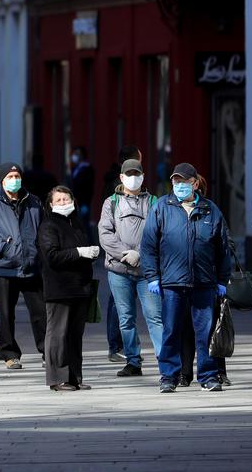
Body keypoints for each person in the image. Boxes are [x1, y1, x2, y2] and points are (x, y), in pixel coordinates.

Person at [141, 163, 232, 393]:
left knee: (205, 332)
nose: (179, 185)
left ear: (194, 183)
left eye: (184, 181)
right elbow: (149, 245)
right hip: (172, 283)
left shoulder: (211, 210)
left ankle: (208, 376)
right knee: (171, 331)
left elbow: (223, 249)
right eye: (176, 181)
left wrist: (221, 280)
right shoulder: (162, 207)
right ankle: (169, 377)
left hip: (203, 283)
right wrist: (152, 276)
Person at [0, 163, 47, 370]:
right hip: (5, 267)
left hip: (32, 266)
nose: (15, 180)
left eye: (17, 176)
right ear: (3, 180)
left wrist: (39, 252)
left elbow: (43, 230)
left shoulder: (33, 201)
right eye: (10, 176)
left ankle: (46, 351)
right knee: (6, 313)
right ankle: (10, 353)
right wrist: (5, 248)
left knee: (40, 312)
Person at [98, 158, 165, 379]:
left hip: (147, 272)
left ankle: (165, 362)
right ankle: (133, 362)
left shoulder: (154, 201)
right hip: (119, 271)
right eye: (129, 173)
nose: (133, 177)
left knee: (155, 317)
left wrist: (140, 253)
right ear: (121, 177)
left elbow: (159, 234)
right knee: (125, 318)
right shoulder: (111, 202)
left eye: (137, 173)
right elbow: (105, 234)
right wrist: (126, 254)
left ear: (143, 176)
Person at [38, 185, 100, 391]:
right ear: (51, 204)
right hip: (59, 288)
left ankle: (74, 377)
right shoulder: (48, 225)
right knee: (57, 334)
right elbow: (52, 256)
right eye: (59, 200)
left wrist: (90, 253)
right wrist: (79, 252)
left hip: (80, 288)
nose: (64, 203)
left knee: (75, 335)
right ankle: (57, 378)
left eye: (66, 199)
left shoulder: (77, 223)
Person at [103, 143, 143, 363]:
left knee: (126, 306)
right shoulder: (114, 191)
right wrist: (125, 253)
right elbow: (108, 230)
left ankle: (127, 347)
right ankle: (116, 345)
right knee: (119, 305)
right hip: (120, 261)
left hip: (138, 259)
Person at [68, 146, 95, 220]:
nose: (74, 156)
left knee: (84, 221)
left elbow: (88, 186)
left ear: (82, 155)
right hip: (75, 200)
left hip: (84, 201)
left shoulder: (87, 168)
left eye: (77, 154)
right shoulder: (75, 168)